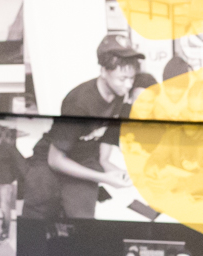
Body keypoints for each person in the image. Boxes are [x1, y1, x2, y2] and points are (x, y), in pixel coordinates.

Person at [48, 34, 158, 218]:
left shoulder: (120, 96)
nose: (128, 85)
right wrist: (104, 178)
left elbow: (104, 156)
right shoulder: (78, 103)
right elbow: (55, 160)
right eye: (122, 78)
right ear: (104, 71)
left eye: (132, 78)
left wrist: (121, 173)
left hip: (90, 158)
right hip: (63, 158)